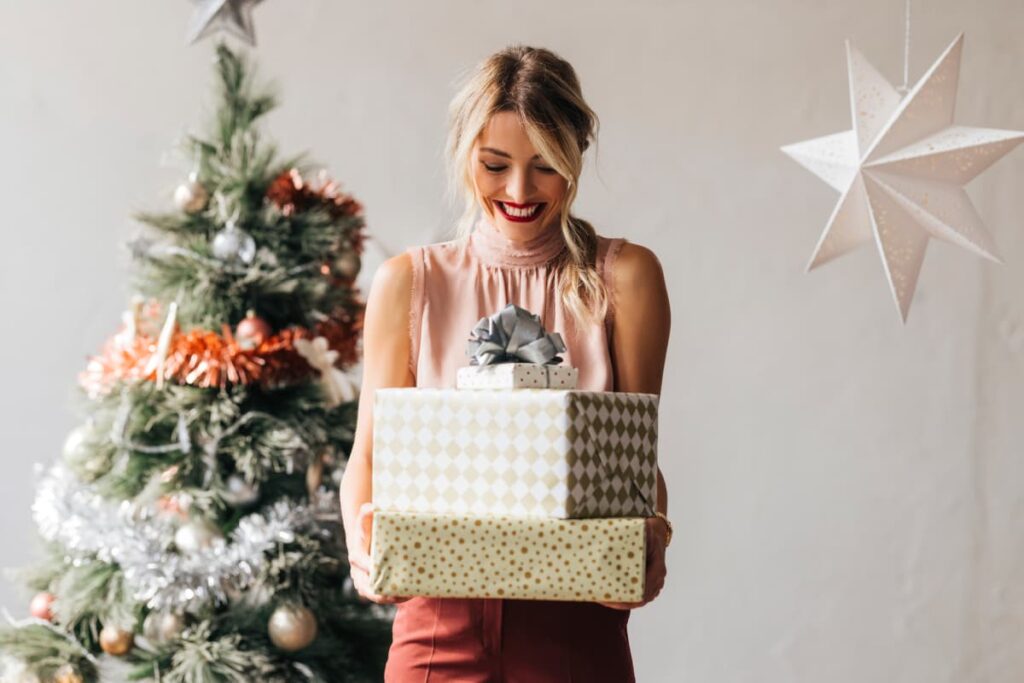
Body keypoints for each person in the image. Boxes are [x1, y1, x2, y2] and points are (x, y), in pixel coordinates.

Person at [339, 44, 672, 682]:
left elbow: (637, 462)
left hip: (578, 625)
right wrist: (363, 546)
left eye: (545, 166)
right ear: (466, 155)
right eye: (496, 164)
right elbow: (369, 458)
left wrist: (651, 539)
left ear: (576, 160)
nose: (519, 191)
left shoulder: (625, 278)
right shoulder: (409, 282)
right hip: (437, 625)